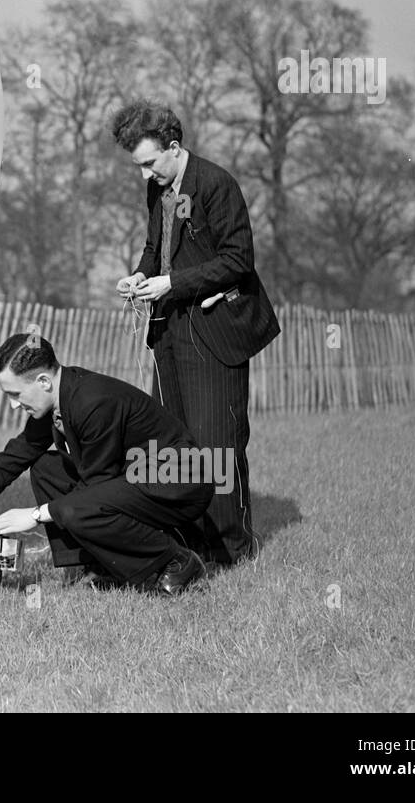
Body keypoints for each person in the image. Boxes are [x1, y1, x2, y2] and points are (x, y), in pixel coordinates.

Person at [111, 100, 280, 567]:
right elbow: (155, 248)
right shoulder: (158, 188)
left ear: (174, 146)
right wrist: (140, 276)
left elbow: (237, 260)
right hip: (168, 329)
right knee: (174, 445)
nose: (145, 175)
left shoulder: (216, 184)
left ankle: (231, 551)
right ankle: (189, 542)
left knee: (217, 446)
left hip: (214, 330)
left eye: (149, 163)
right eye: (138, 167)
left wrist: (173, 283)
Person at [0, 332, 212, 595]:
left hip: (177, 483)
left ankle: (175, 561)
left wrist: (36, 515)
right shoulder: (56, 398)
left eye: (15, 394)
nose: (14, 405)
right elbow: (15, 455)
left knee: (78, 509)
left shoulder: (93, 401)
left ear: (43, 381)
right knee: (46, 469)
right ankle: (94, 566)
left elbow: (97, 488)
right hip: (134, 477)